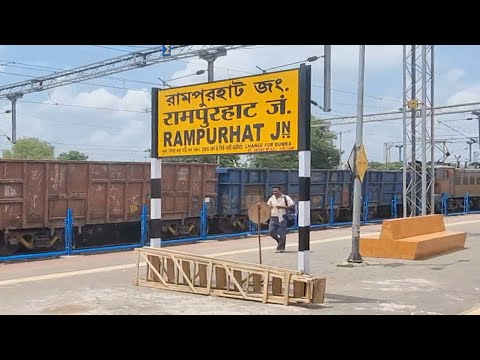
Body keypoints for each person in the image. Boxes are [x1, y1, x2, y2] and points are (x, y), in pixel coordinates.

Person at [266, 185, 295, 253]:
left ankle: (280, 248)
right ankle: (280, 241)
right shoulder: (271, 198)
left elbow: (291, 206)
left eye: (276, 191)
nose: (274, 192)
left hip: (282, 217)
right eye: (273, 191)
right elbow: (267, 206)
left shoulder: (285, 197)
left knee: (282, 233)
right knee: (271, 232)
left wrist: (282, 207)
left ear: (280, 191)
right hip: (273, 217)